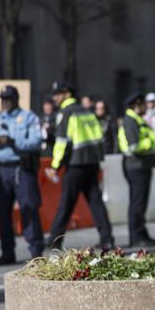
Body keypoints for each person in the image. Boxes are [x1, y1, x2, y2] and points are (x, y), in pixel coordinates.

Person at [46, 81, 114, 249]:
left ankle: (55, 240)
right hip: (91, 163)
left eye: (58, 94)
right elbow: (99, 138)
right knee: (96, 202)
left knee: (66, 204)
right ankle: (107, 239)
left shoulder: (65, 114)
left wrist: (55, 166)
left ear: (67, 94)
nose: (55, 98)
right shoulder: (87, 112)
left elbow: (62, 143)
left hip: (75, 165)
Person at [0, 85, 44, 264]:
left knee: (28, 207)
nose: (5, 103)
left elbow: (35, 142)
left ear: (16, 99)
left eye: (8, 99)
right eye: (2, 99)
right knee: (2, 211)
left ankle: (35, 251)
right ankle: (7, 251)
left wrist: (13, 141)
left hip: (21, 168)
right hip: (2, 170)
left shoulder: (28, 117)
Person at [118, 91, 155, 247]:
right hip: (136, 166)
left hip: (141, 165)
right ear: (137, 105)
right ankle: (136, 237)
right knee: (137, 203)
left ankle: (141, 234)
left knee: (140, 203)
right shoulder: (131, 121)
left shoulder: (136, 120)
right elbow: (134, 146)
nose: (145, 107)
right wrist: (151, 146)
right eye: (143, 104)